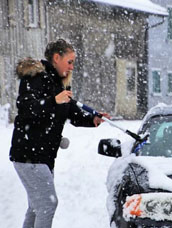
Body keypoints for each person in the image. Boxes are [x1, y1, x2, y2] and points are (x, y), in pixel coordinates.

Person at [9, 39, 109, 228]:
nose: (72, 67)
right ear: (56, 57)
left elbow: (70, 111)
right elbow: (26, 107)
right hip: (29, 155)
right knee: (47, 204)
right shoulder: (35, 77)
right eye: (69, 62)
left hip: (44, 156)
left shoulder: (59, 83)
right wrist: (54, 100)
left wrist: (92, 120)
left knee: (36, 206)